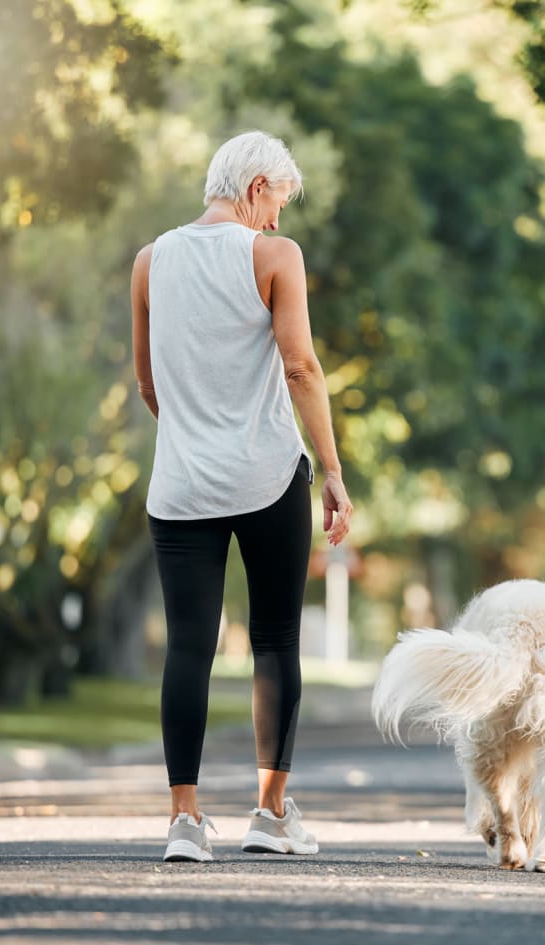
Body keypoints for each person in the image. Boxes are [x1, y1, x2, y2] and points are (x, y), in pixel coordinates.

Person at [131, 131, 353, 862]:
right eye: (278, 204)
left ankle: (184, 822)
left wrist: (198, 437)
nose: (278, 223)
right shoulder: (273, 258)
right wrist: (332, 470)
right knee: (274, 640)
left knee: (188, 646)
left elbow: (149, 386)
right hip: (264, 476)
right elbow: (301, 368)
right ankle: (270, 811)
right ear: (257, 187)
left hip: (180, 484)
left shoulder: (150, 262)